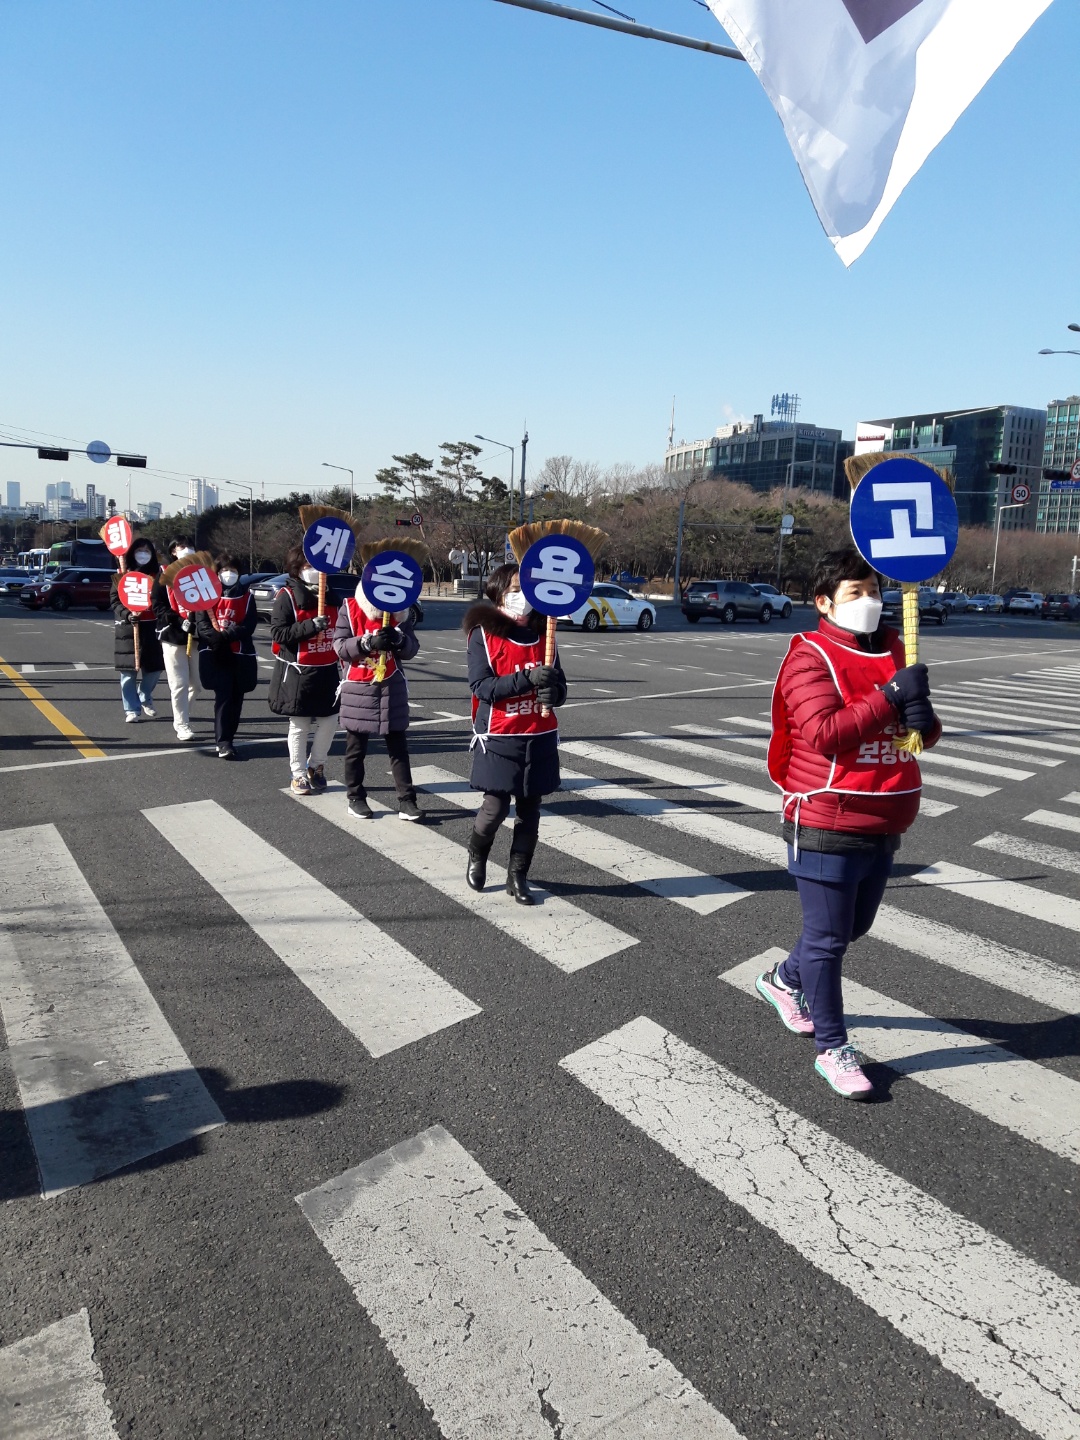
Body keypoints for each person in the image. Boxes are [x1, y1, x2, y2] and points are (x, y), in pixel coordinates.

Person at [757, 547, 941, 1100]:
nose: (869, 603)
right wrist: (890, 696)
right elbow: (826, 734)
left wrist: (918, 710)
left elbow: (922, 739)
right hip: (825, 816)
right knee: (830, 939)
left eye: (874, 592)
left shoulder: (893, 650)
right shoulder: (807, 657)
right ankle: (833, 1049)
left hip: (884, 817)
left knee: (849, 929)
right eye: (855, 594)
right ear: (823, 603)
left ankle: (783, 979)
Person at [462, 563, 567, 905]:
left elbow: (560, 684)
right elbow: (482, 686)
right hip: (499, 735)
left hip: (538, 736)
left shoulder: (546, 633)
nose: (522, 598)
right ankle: (478, 855)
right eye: (514, 591)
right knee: (494, 808)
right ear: (499, 594)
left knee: (530, 811)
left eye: (527, 591)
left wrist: (556, 694)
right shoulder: (483, 634)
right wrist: (528, 679)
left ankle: (518, 875)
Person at [332, 576, 421, 820]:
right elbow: (339, 646)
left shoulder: (401, 613)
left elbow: (413, 648)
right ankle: (355, 797)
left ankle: (407, 800)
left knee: (398, 746)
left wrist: (400, 640)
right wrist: (366, 642)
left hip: (392, 685)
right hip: (358, 686)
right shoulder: (350, 607)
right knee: (356, 747)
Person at [269, 545, 340, 796]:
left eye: (317, 566)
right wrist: (310, 626)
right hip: (298, 671)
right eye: (308, 566)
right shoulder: (286, 596)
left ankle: (317, 765)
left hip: (328, 670)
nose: (313, 571)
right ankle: (298, 774)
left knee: (330, 722)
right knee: (299, 725)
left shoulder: (330, 594)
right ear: (297, 569)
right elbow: (279, 633)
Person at [193, 553, 258, 760]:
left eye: (233, 570)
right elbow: (202, 624)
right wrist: (216, 639)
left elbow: (249, 625)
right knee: (224, 695)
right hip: (215, 653)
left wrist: (227, 635)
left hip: (240, 653)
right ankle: (223, 742)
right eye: (223, 570)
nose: (229, 574)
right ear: (216, 573)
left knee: (237, 697)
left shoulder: (247, 596)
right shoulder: (206, 595)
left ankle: (229, 737)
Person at [111, 538, 165, 724]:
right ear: (132, 552)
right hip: (129, 628)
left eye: (147, 550)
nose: (143, 554)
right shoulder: (122, 573)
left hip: (153, 627)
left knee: (155, 669)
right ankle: (131, 708)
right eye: (139, 550)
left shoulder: (159, 574)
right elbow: (114, 601)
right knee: (128, 672)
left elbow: (165, 600)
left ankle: (145, 695)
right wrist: (127, 614)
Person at [152, 536, 200, 743]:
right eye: (181, 547)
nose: (186, 550)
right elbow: (157, 605)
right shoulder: (164, 574)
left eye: (189, 546)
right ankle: (182, 723)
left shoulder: (201, 573)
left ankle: (181, 714)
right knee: (178, 683)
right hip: (172, 636)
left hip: (197, 636)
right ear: (173, 551)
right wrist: (179, 620)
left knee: (197, 685)